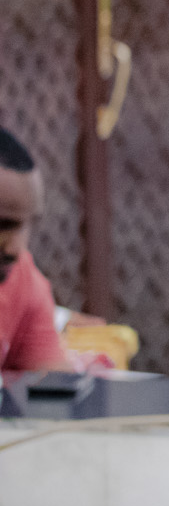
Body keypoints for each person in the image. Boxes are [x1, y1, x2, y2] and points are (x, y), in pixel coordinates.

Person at [0, 124, 69, 373]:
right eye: (2, 225)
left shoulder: (22, 279)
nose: (16, 249)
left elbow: (54, 385)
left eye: (27, 225)